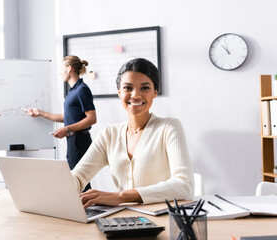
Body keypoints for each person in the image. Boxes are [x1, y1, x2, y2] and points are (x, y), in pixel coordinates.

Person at [71, 58, 194, 208]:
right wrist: (51, 187)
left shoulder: (169, 127)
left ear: (155, 92)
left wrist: (120, 196)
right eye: (128, 88)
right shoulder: (109, 134)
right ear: (119, 92)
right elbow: (78, 176)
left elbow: (184, 185)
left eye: (145, 88)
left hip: (162, 219)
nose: (135, 95)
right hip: (122, 220)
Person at [27, 56, 96, 191]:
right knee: (77, 180)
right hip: (73, 140)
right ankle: (84, 209)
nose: (60, 73)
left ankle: (87, 210)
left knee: (79, 181)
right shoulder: (73, 91)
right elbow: (68, 117)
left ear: (69, 69)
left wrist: (67, 129)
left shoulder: (82, 89)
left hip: (80, 141)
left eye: (62, 69)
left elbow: (92, 118)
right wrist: (40, 113)